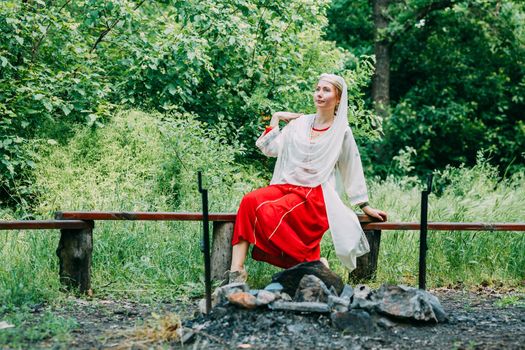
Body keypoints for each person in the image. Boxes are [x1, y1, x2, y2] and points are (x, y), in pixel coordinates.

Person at [228, 73, 387, 284]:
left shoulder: (342, 131)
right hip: (288, 187)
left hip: (316, 194)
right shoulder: (300, 124)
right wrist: (276, 119)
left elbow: (352, 168)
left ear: (338, 98)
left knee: (270, 211)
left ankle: (313, 262)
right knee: (249, 201)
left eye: (327, 90)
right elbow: (270, 149)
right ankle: (236, 273)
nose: (320, 94)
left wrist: (364, 205)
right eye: (318, 89)